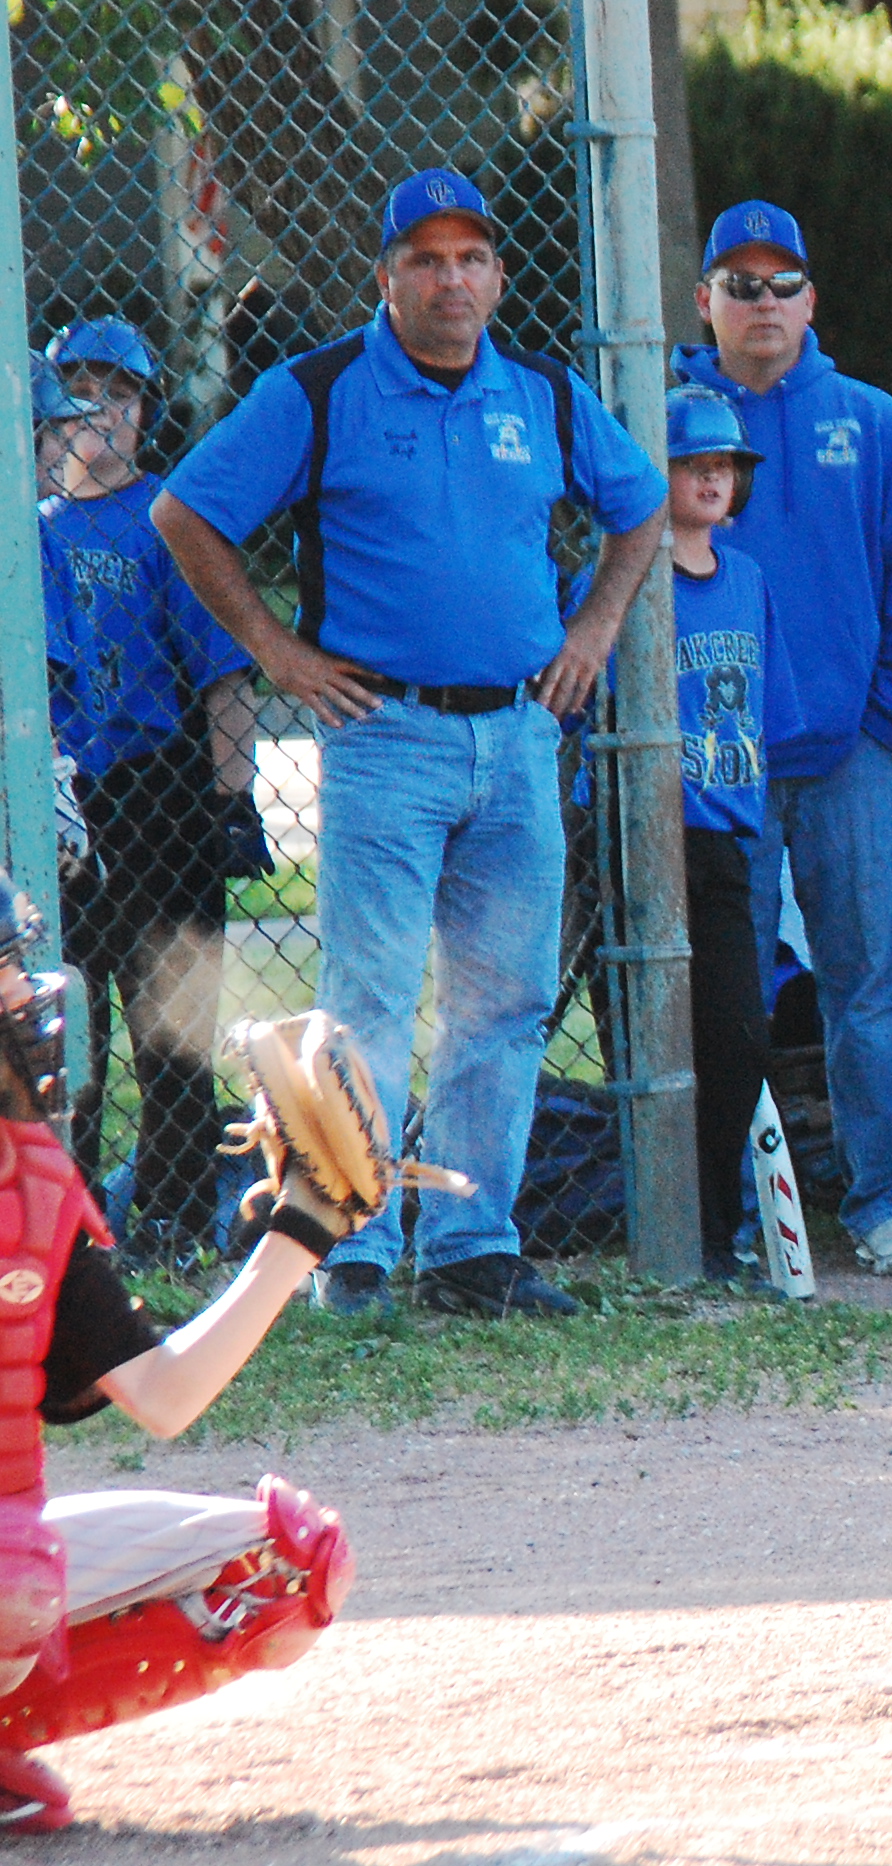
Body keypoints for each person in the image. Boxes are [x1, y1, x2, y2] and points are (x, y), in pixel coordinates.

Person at [152, 167, 669, 1318]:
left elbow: (640, 508)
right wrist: (274, 648)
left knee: (506, 1001)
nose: (451, 280)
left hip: (518, 736)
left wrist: (592, 628)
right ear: (384, 276)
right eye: (425, 260)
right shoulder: (320, 390)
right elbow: (184, 512)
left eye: (470, 258)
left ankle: (472, 1246)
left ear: (497, 275)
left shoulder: (542, 392)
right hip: (381, 733)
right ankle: (354, 1248)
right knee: (369, 1002)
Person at [0, 882, 358, 1833]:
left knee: (284, 1570)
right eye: (1, 975)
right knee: (9, 1573)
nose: (28, 997)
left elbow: (162, 1394)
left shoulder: (28, 1191)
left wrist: (299, 1234)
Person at [673, 200, 892, 1278]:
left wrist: (881, 726)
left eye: (782, 284)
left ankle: (887, 1203)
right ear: (705, 300)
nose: (763, 303)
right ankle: (736, 1221)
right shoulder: (665, 424)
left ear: (811, 300)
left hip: (844, 757)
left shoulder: (871, 423)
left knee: (865, 985)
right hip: (716, 771)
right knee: (726, 1000)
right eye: (740, 285)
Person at [36, 316, 259, 1256]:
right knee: (66, 1020)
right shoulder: (28, 527)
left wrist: (233, 798)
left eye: (119, 394)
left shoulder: (166, 517)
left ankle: (172, 1216)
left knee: (173, 1022)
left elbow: (224, 676)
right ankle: (74, 1222)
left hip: (159, 786)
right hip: (60, 793)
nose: (97, 412)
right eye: (77, 393)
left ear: (146, 413)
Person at [651, 385, 799, 1277]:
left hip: (728, 838)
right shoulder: (631, 576)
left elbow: (769, 715)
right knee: (656, 1044)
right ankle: (669, 1229)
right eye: (691, 464)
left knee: (739, 1038)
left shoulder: (746, 580)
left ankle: (714, 1231)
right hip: (645, 839)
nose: (712, 478)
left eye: (724, 465)